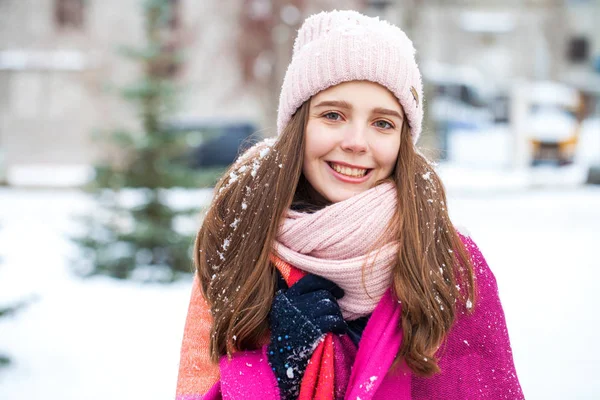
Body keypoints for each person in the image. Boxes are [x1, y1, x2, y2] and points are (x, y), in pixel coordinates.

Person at [176, 10, 523, 400]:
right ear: (298, 126)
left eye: (383, 123)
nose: (357, 141)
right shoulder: (240, 253)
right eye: (333, 115)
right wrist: (278, 368)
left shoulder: (448, 265)